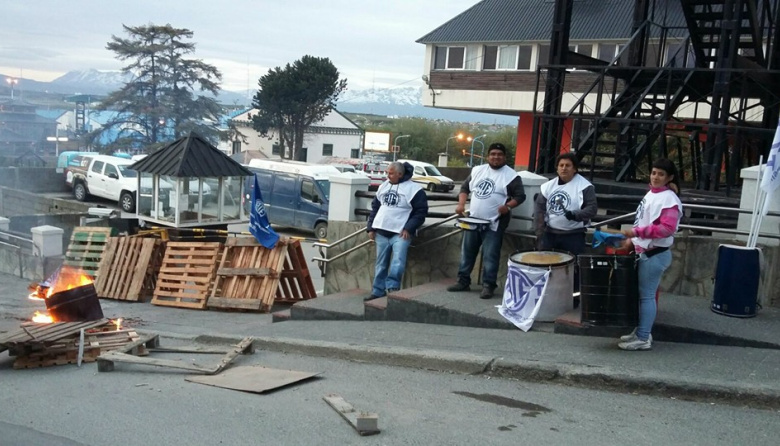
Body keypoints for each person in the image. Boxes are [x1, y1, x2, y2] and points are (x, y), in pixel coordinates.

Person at [618, 158, 682, 351]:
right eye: (654, 173)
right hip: (647, 251)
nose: (655, 177)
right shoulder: (653, 194)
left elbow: (667, 229)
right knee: (644, 296)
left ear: (669, 177)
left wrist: (637, 233)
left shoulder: (669, 199)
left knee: (647, 296)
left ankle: (643, 336)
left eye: (661, 174)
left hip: (655, 253)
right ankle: (641, 331)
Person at [447, 143, 526, 299]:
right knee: (467, 253)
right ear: (487, 156)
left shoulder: (511, 176)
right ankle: (463, 281)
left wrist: (508, 206)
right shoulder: (477, 171)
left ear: (504, 157)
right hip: (473, 220)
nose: (496, 157)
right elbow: (464, 188)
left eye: (499, 154)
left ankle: (488, 285)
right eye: (493, 154)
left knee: (490, 255)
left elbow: (520, 196)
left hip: (494, 222)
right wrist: (461, 204)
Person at [534, 152, 598, 298]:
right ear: (557, 168)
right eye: (561, 165)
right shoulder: (547, 187)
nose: (564, 168)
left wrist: (576, 214)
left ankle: (573, 299)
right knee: (547, 268)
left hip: (573, 236)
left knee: (573, 269)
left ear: (574, 168)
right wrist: (539, 233)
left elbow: (592, 209)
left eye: (568, 165)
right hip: (550, 234)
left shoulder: (585, 187)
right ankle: (547, 297)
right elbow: (539, 210)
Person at [365, 161, 428, 301]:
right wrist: (371, 227)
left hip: (400, 233)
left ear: (400, 174)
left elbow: (421, 211)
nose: (388, 175)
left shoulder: (414, 189)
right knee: (380, 264)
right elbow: (375, 207)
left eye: (391, 173)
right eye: (387, 172)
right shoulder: (384, 186)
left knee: (398, 262)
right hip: (381, 231)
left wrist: (409, 228)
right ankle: (378, 291)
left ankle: (393, 288)